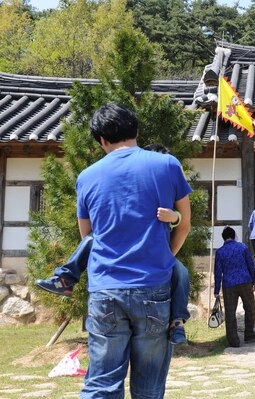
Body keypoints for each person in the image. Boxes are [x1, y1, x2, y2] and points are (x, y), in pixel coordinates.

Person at [77, 103, 192, 398]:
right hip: (153, 286)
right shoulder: (167, 165)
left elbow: (87, 236)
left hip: (106, 287)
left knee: (102, 383)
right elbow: (184, 223)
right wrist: (165, 259)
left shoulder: (87, 177)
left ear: (101, 140)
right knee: (149, 386)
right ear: (136, 131)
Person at [35, 144, 191, 346]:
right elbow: (88, 232)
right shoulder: (133, 186)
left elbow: (184, 220)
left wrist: (174, 219)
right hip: (118, 255)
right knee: (92, 239)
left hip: (154, 257)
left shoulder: (167, 184)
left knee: (182, 273)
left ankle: (177, 322)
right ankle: (66, 278)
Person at [214, 226, 255, 347]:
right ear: (234, 236)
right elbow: (250, 264)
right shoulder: (242, 247)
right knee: (250, 308)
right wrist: (254, 281)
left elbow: (218, 272)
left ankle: (233, 340)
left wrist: (216, 290)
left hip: (229, 284)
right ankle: (249, 334)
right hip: (245, 281)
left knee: (230, 312)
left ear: (223, 238)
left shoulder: (220, 252)